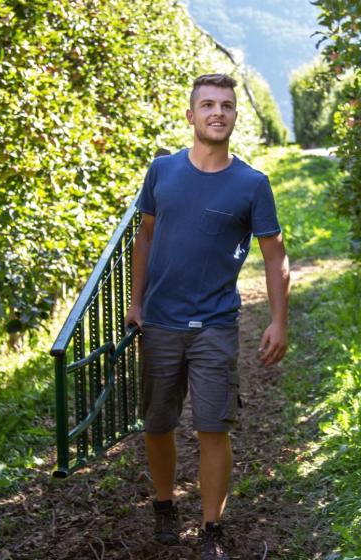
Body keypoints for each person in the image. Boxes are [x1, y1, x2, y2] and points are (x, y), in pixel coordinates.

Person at [124, 73, 290, 560]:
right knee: (157, 423)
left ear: (235, 116)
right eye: (208, 104)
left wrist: (279, 320)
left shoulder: (252, 184)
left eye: (227, 106)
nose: (218, 112)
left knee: (213, 427)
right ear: (191, 114)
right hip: (159, 322)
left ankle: (212, 527)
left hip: (215, 324)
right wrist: (136, 303)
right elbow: (146, 238)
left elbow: (276, 256)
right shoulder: (162, 172)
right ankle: (163, 506)